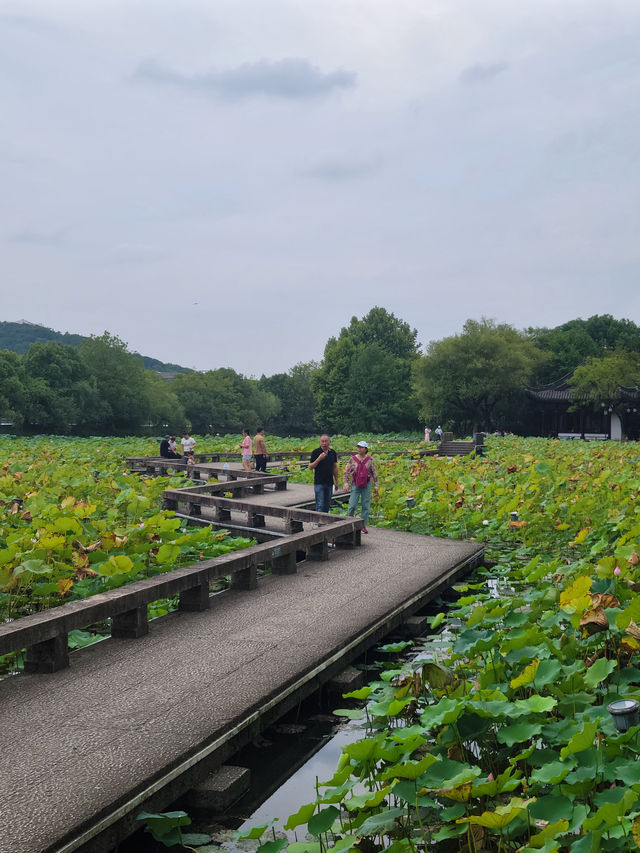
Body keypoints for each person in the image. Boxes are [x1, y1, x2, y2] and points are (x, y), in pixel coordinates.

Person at [342, 441, 379, 534]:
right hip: (355, 484)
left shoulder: (370, 460)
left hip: (366, 485)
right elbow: (346, 471)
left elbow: (374, 473)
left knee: (365, 506)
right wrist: (345, 483)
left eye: (361, 447)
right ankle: (348, 523)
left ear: (366, 449)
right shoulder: (353, 459)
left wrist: (376, 486)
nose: (359, 449)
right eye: (358, 447)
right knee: (352, 505)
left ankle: (363, 526)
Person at [309, 434, 338, 513]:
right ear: (320, 442)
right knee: (320, 504)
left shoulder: (332, 452)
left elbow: (335, 467)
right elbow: (310, 467)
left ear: (329, 442)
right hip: (319, 482)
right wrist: (319, 459)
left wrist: (336, 481)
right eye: (322, 441)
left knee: (327, 504)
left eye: (326, 441)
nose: (324, 443)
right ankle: (320, 523)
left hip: (329, 482)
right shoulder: (316, 452)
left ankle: (325, 521)